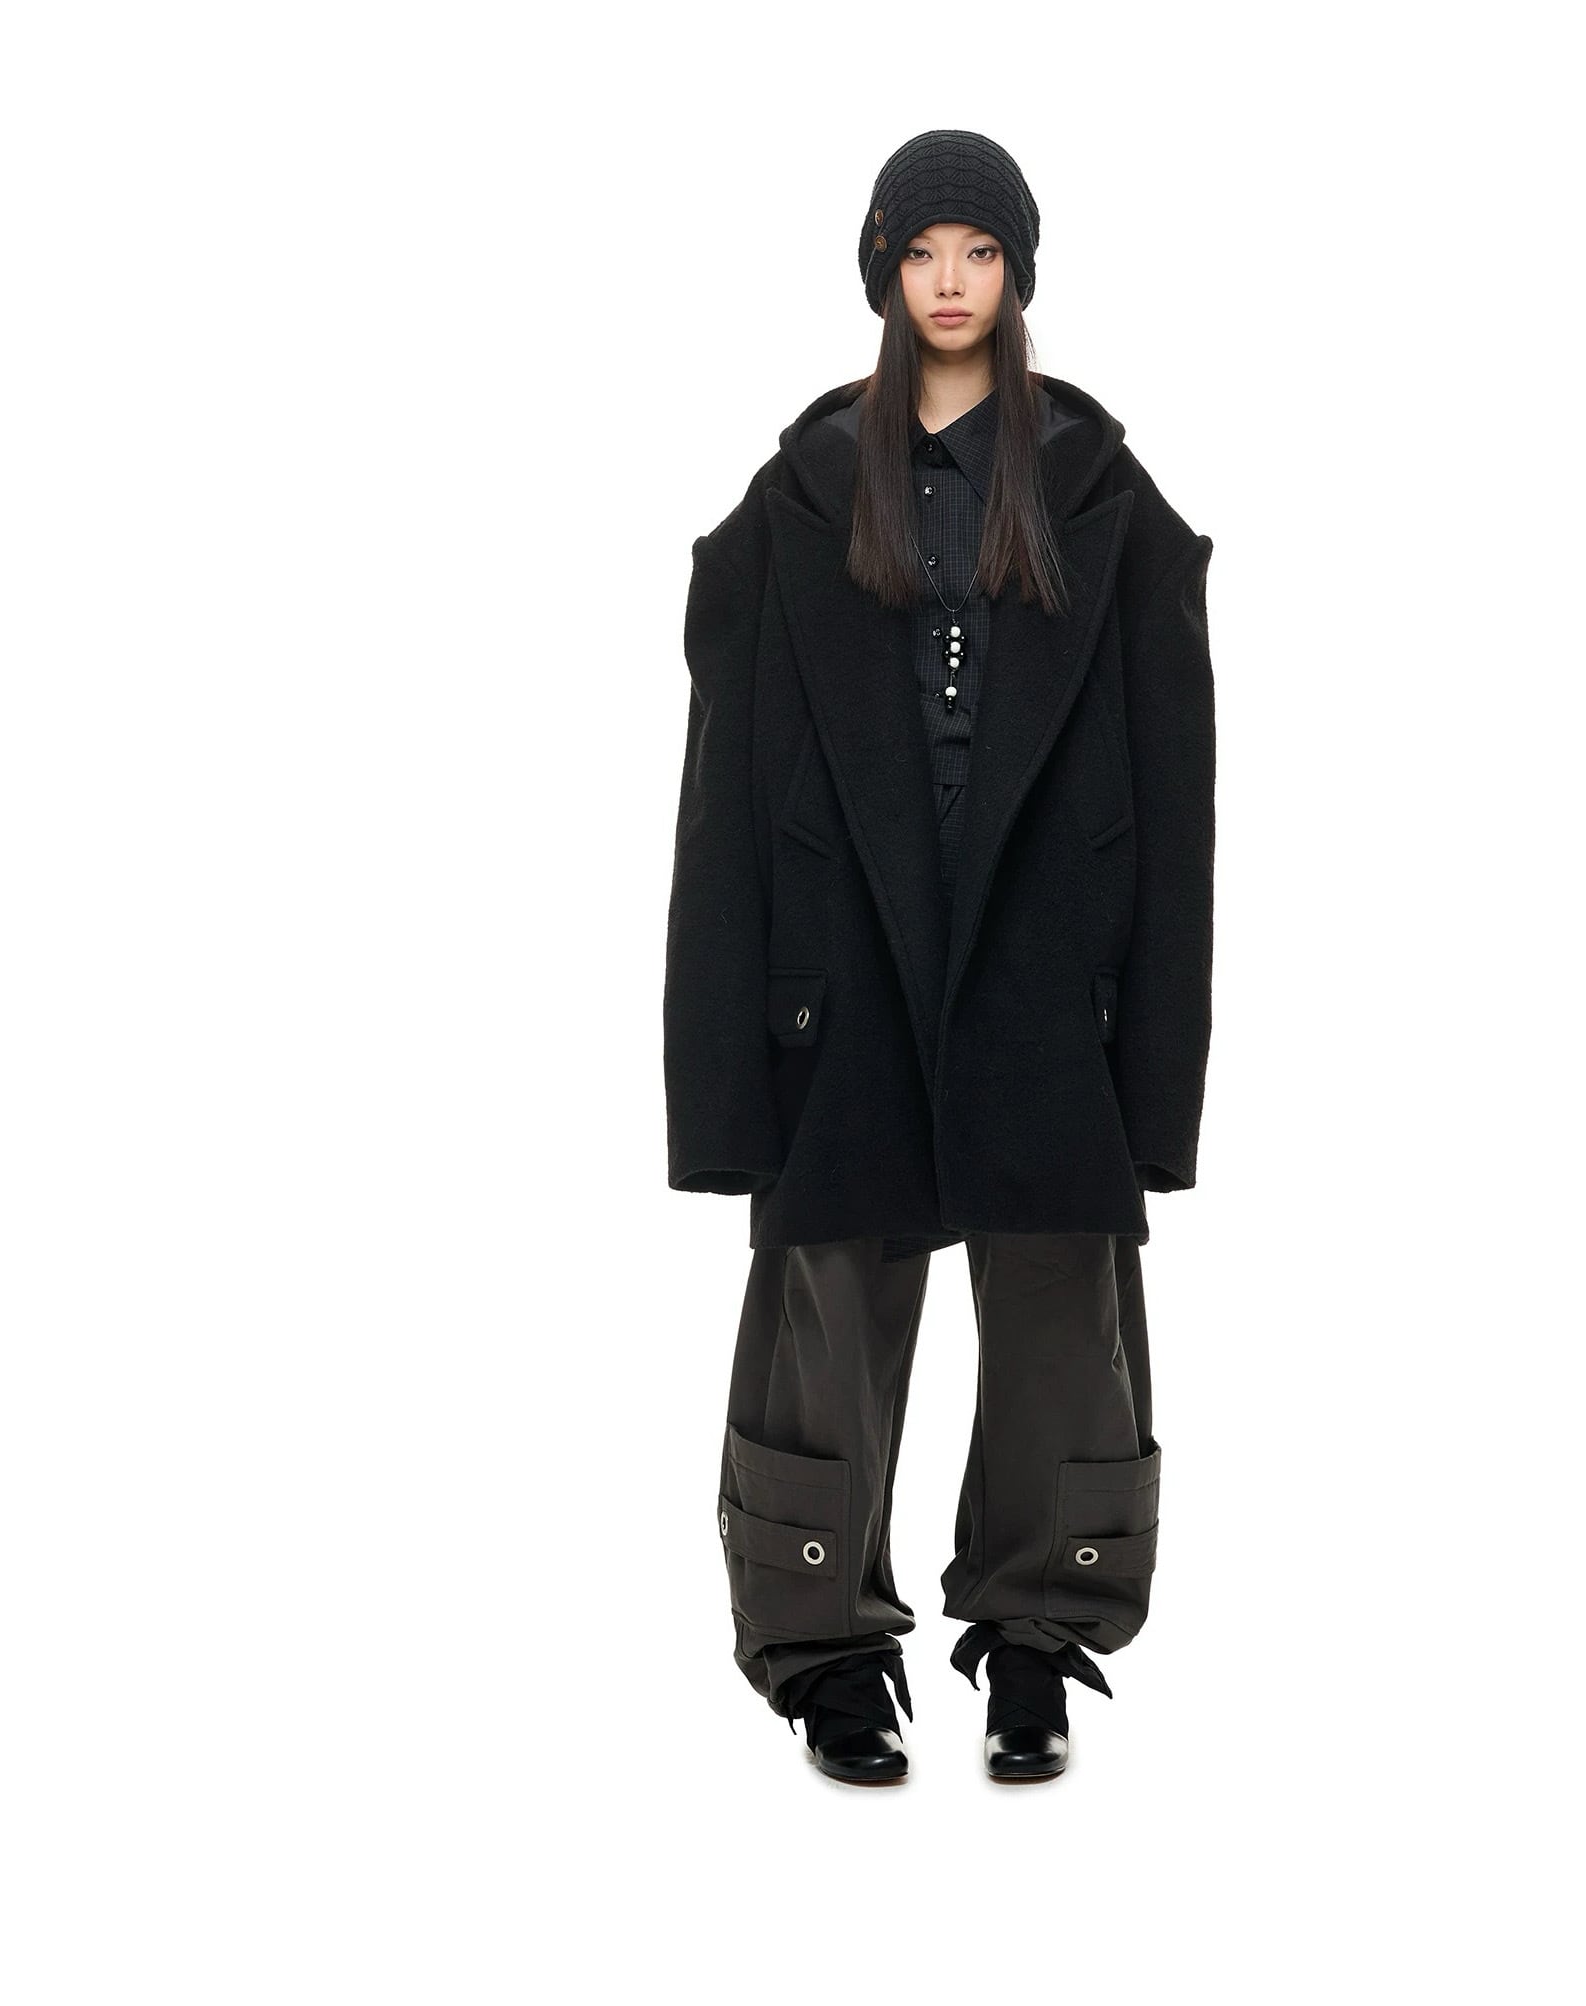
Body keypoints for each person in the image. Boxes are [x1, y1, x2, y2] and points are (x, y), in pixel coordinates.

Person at [663, 129, 1216, 1785]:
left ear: (1017, 272)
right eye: (922, 251)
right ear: (883, 271)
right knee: (829, 1297)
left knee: (1058, 1305)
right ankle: (826, 1647)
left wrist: (1155, 1063)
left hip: (1047, 958)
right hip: (846, 955)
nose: (951, 280)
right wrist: (721, 1070)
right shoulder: (801, 495)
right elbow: (720, 799)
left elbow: (1176, 801)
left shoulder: (1103, 497)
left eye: (979, 250)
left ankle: (1038, 1635)